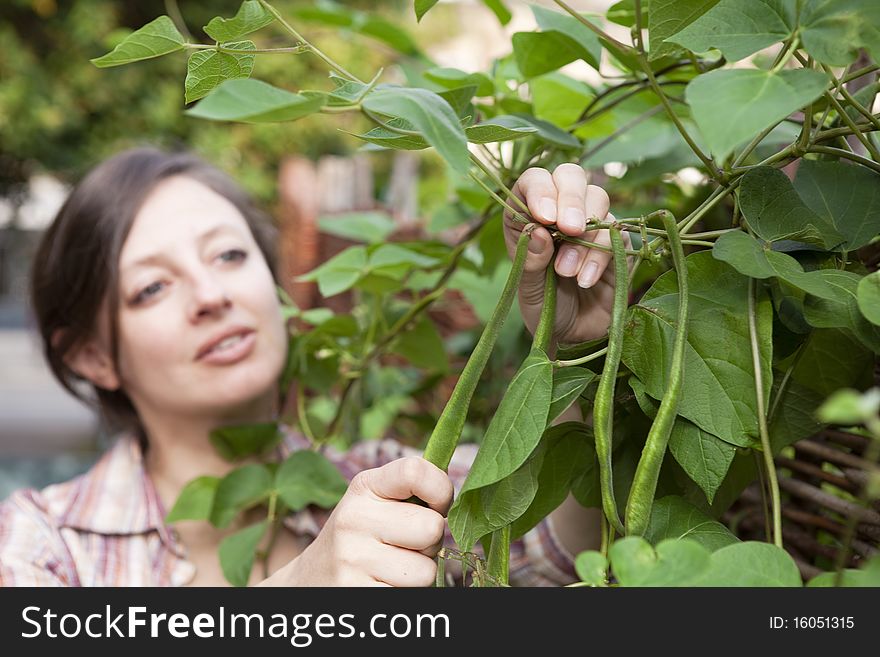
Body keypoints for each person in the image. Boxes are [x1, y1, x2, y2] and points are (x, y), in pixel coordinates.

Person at [0, 148, 630, 586]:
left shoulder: (383, 482)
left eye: (227, 254)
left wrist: (575, 345)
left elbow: (559, 553)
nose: (212, 296)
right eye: (152, 288)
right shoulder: (41, 543)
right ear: (92, 355)